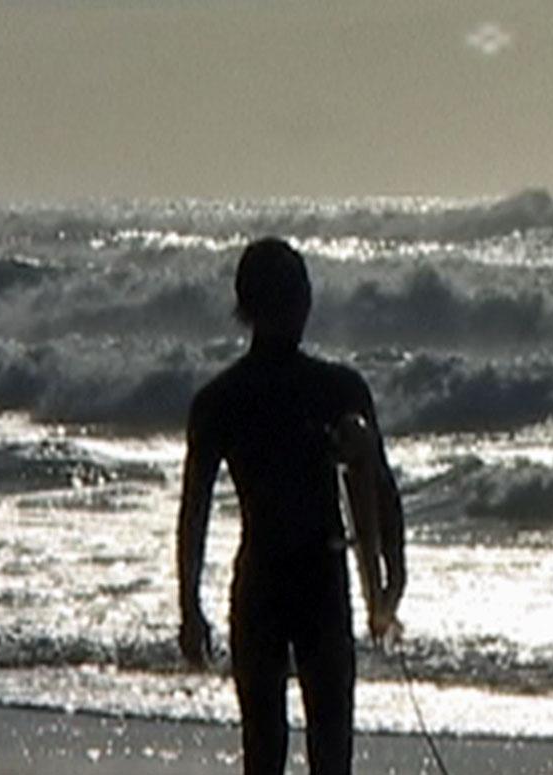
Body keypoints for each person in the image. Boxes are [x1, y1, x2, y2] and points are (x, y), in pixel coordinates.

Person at [177, 237, 407, 775]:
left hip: (267, 579)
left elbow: (194, 516)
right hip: (310, 584)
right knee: (319, 750)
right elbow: (381, 492)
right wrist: (391, 583)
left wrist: (190, 604)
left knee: (271, 751)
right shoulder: (333, 389)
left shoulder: (222, 399)